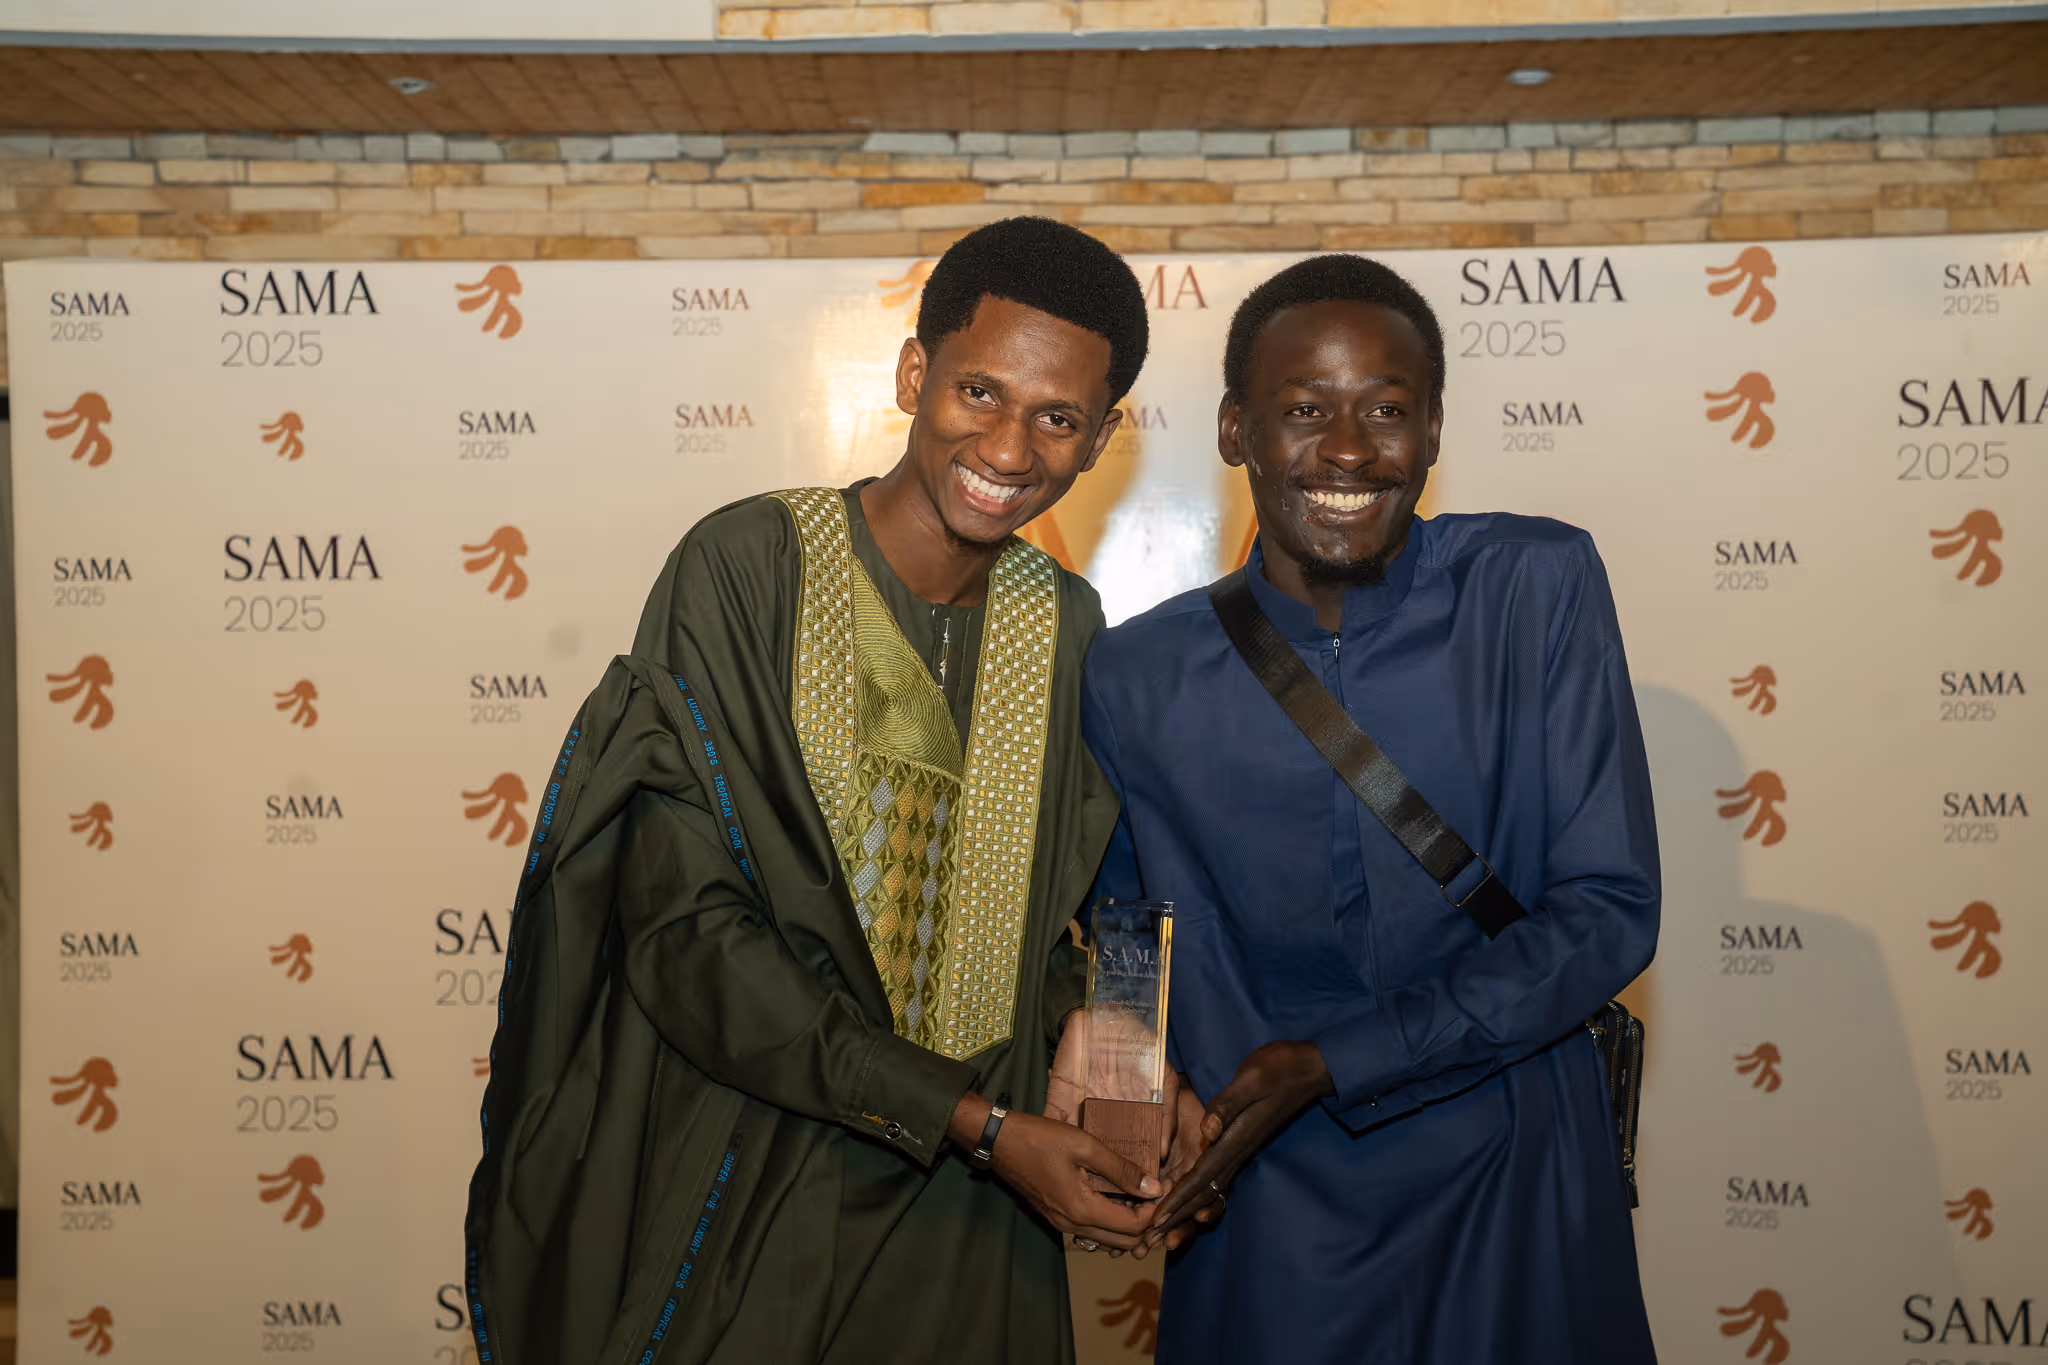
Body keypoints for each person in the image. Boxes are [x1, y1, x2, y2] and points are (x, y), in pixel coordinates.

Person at [465, 216, 1165, 1365]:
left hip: (974, 1227)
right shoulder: (748, 568)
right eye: (979, 391)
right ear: (911, 373)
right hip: (749, 1180)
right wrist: (973, 1123)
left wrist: (1092, 1033)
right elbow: (682, 929)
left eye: (1056, 418)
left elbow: (1043, 922)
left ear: (1096, 441)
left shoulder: (1072, 630)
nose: (1008, 445)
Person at [1083, 254, 1660, 1362]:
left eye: (1385, 410)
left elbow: (1607, 907)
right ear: (1232, 430)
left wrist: (1336, 1060)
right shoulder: (1135, 674)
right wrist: (1129, 1118)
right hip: (1267, 1189)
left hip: (1511, 1150)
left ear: (1433, 429)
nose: (1346, 449)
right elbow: (1127, 936)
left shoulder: (1534, 587)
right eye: (1302, 410)